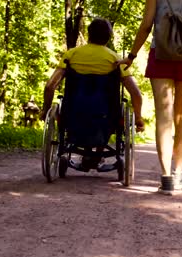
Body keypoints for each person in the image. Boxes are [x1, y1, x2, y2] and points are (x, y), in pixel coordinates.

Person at [117, 0, 182, 194]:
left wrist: (132, 56)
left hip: (160, 54)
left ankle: (166, 176)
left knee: (163, 117)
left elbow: (145, 26)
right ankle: (179, 174)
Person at [41, 18, 145, 169]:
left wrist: (46, 110)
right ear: (109, 37)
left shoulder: (71, 55)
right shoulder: (116, 60)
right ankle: (98, 155)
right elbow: (136, 94)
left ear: (88, 34)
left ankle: (86, 155)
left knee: (79, 112)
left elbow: (50, 87)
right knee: (107, 114)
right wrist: (139, 118)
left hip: (73, 113)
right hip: (106, 116)